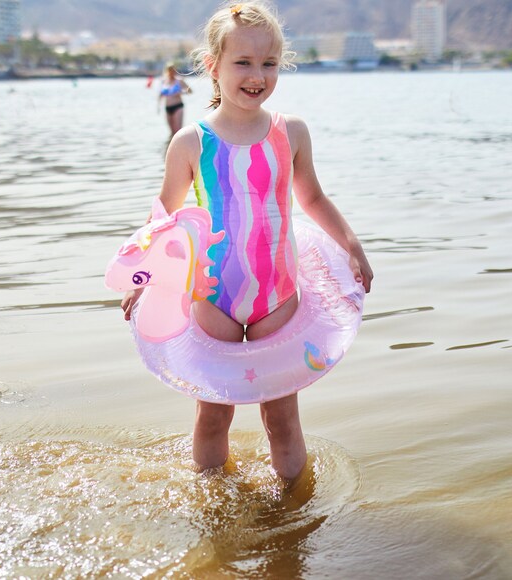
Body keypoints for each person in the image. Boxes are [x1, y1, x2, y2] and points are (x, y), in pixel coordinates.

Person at [120, 1, 374, 482]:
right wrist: (143, 277)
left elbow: (313, 197)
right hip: (212, 294)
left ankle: (293, 513)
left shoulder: (290, 133)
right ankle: (212, 504)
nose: (257, 75)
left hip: (276, 294)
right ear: (213, 66)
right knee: (213, 414)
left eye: (269, 63)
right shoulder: (191, 142)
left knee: (281, 418)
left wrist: (352, 246)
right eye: (243, 62)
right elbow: (164, 217)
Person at [157, 62, 192, 138]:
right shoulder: (164, 81)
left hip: (178, 106)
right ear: (167, 71)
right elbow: (160, 94)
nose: (171, 72)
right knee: (171, 132)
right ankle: (171, 147)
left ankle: (182, 147)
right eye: (170, 70)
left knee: (178, 131)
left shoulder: (179, 80)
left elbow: (190, 90)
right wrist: (158, 106)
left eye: (173, 70)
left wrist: (182, 92)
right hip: (167, 108)